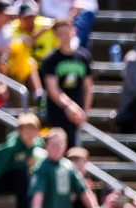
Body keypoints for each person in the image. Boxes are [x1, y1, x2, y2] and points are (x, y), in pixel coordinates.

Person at [29, 129, 103, 208]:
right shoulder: (41, 168)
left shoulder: (69, 167)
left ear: (64, 146)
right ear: (46, 146)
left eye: (60, 144)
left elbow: (83, 190)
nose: (57, 148)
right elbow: (38, 192)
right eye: (53, 144)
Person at [39, 17, 93, 147]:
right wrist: (69, 105)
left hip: (77, 113)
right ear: (55, 35)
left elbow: (88, 87)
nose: (65, 37)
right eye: (60, 33)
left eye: (67, 32)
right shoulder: (51, 59)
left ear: (74, 31)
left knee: (74, 150)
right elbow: (53, 89)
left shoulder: (84, 56)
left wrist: (85, 111)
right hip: (58, 112)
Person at [0, 112, 46, 208]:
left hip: (26, 182)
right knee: (23, 172)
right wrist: (24, 164)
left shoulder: (39, 147)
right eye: (27, 130)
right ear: (20, 131)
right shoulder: (12, 145)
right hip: (3, 181)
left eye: (33, 130)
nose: (30, 134)